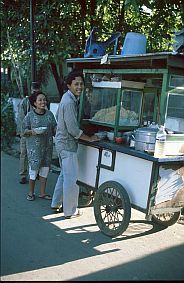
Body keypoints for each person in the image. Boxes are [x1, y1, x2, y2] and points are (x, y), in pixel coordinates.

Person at [51, 70, 100, 218]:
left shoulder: (68, 98)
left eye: (81, 84)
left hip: (62, 143)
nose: (79, 87)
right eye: (76, 84)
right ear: (68, 85)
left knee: (64, 175)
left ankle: (55, 203)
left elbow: (60, 117)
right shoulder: (69, 101)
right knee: (71, 179)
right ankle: (70, 211)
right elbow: (73, 129)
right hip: (67, 144)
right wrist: (89, 138)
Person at [22, 91, 57, 201]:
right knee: (34, 171)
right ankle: (30, 193)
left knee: (45, 169)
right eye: (40, 100)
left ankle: (42, 193)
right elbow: (23, 131)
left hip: (47, 146)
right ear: (34, 103)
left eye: (44, 99)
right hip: (34, 148)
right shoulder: (29, 116)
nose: (43, 102)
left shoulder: (50, 114)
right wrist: (32, 132)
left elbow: (55, 128)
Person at [16, 82, 41, 184]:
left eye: (37, 91)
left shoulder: (41, 102)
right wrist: (25, 132)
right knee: (24, 154)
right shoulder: (25, 102)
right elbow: (21, 119)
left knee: (38, 154)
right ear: (31, 90)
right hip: (26, 133)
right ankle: (23, 175)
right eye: (34, 91)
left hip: (38, 133)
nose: (35, 92)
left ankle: (36, 172)